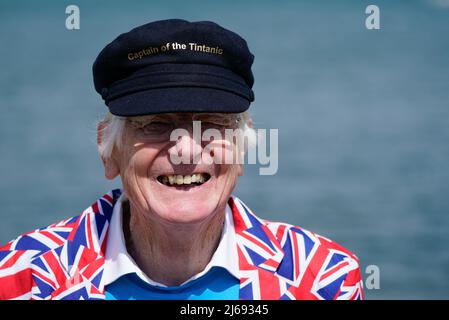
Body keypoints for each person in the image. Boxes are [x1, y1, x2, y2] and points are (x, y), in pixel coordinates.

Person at [0, 19, 363, 300]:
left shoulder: (320, 279)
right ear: (109, 150)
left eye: (213, 124)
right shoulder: (21, 280)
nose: (187, 150)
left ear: (241, 149)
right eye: (156, 124)